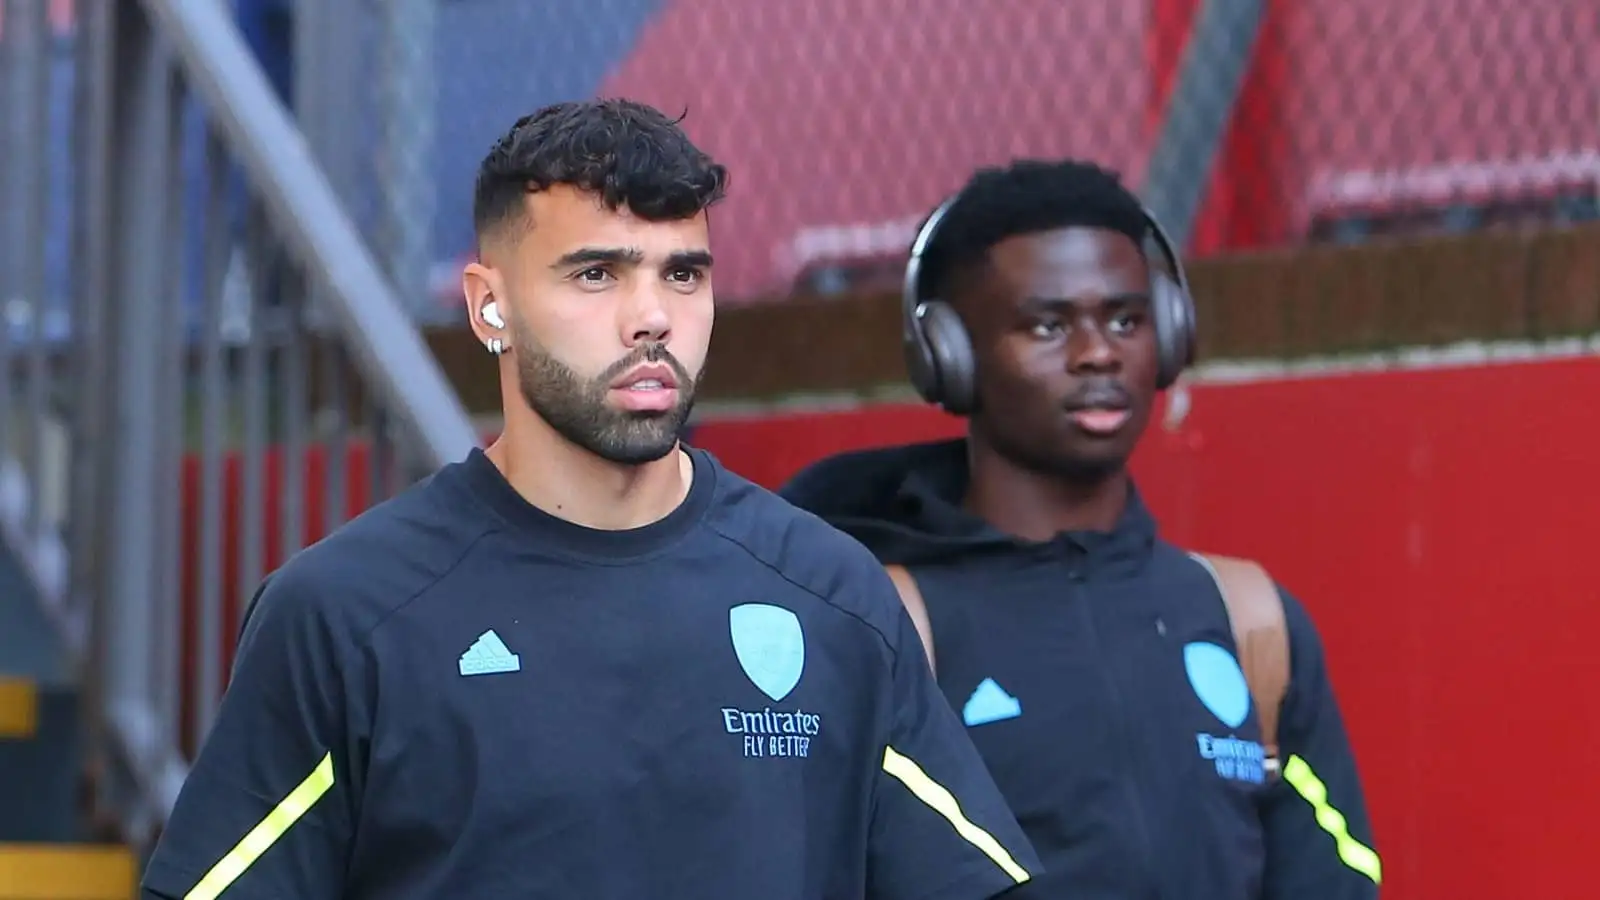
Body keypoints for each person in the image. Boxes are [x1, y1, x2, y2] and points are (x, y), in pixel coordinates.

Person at [140, 100, 1037, 900]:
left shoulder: (831, 594)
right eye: (596, 274)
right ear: (490, 307)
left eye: (682, 275)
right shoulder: (347, 613)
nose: (651, 317)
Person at [781, 159, 1380, 900]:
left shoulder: (1251, 621)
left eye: (1126, 319)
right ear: (949, 355)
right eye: (1048, 324)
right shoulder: (880, 623)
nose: (1099, 352)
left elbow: (1338, 877)